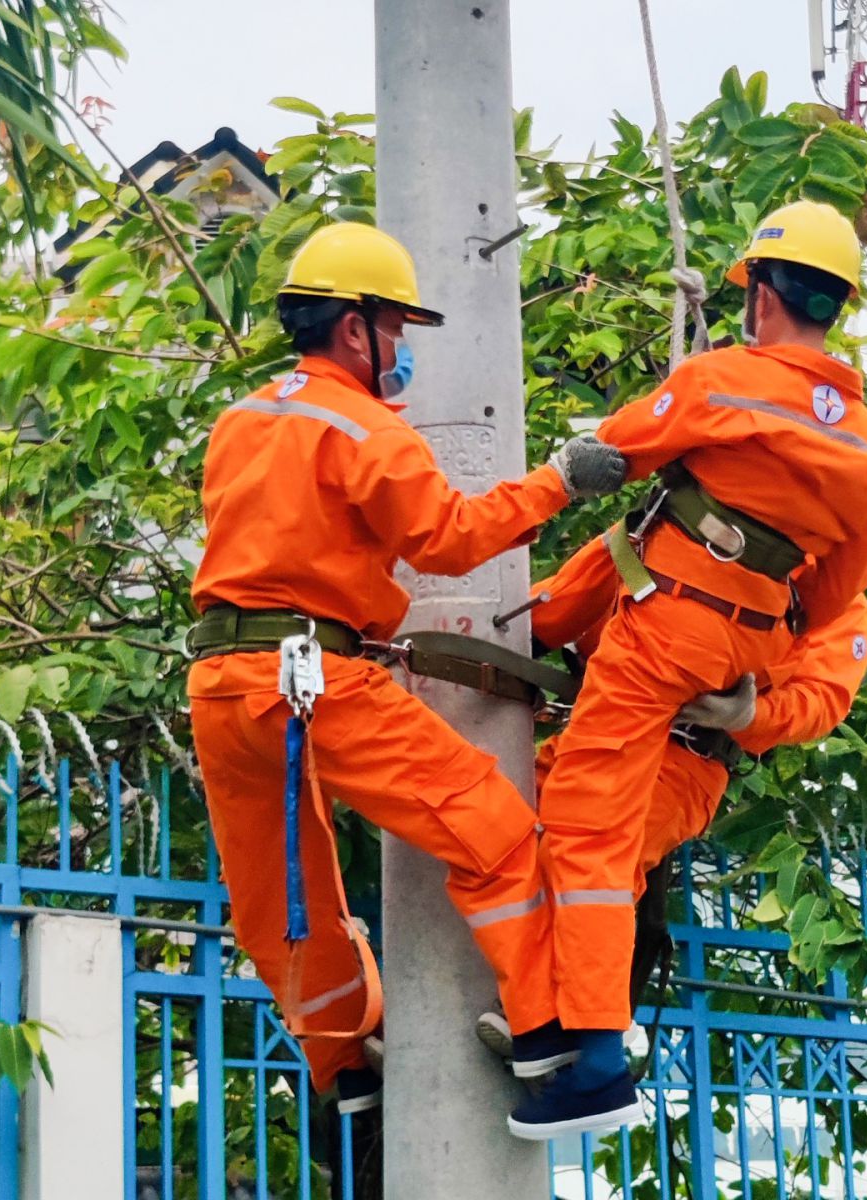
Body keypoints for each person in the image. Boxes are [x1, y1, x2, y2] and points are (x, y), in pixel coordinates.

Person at [186, 222, 627, 1119]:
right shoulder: (364, 426)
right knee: (493, 829)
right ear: (357, 329)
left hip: (221, 683)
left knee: (283, 894)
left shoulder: (242, 421)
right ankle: (547, 1045)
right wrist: (560, 482)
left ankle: (344, 1066)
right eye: (399, 329)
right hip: (310, 681)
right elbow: (449, 539)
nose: (403, 351)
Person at [508, 200, 867, 1139]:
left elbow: (620, 447)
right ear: (835, 304)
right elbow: (836, 589)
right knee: (565, 833)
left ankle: (596, 1054)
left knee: (585, 836)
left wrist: (565, 469)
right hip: (737, 637)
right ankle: (560, 1021)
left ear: (763, 295)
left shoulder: (721, 382)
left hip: (675, 654)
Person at [476, 535, 867, 1065]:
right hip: (603, 728)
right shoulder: (682, 524)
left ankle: (584, 1022)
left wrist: (748, 717)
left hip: (684, 760)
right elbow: (572, 595)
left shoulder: (831, 592)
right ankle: (550, 1012)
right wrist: (500, 638)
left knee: (590, 860)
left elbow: (823, 697)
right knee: (492, 832)